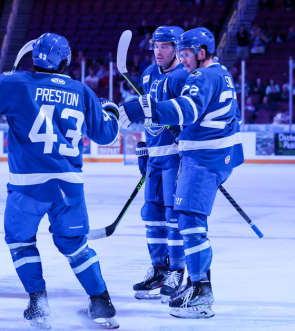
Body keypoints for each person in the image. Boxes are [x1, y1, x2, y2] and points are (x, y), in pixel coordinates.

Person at [0, 33, 120, 330]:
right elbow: (107, 135)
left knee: (21, 242)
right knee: (75, 246)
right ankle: (101, 302)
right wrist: (110, 110)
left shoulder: (13, 82)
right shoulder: (82, 91)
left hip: (28, 186)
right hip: (69, 187)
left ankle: (39, 303)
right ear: (65, 58)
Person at [118, 27, 244, 319]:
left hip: (204, 158)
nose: (183, 60)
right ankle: (196, 285)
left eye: (186, 54)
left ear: (201, 53)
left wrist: (144, 108)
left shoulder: (203, 75)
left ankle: (201, 292)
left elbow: (186, 110)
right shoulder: (221, 73)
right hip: (207, 156)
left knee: (189, 220)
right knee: (188, 220)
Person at [135, 26, 187, 303]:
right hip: (155, 156)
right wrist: (144, 147)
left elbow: (192, 113)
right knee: (151, 216)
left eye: (165, 46)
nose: (158, 51)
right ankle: (159, 269)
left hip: (176, 158)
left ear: (177, 48)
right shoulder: (147, 73)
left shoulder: (183, 77)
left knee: (174, 216)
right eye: (156, 45)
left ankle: (178, 271)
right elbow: (148, 115)